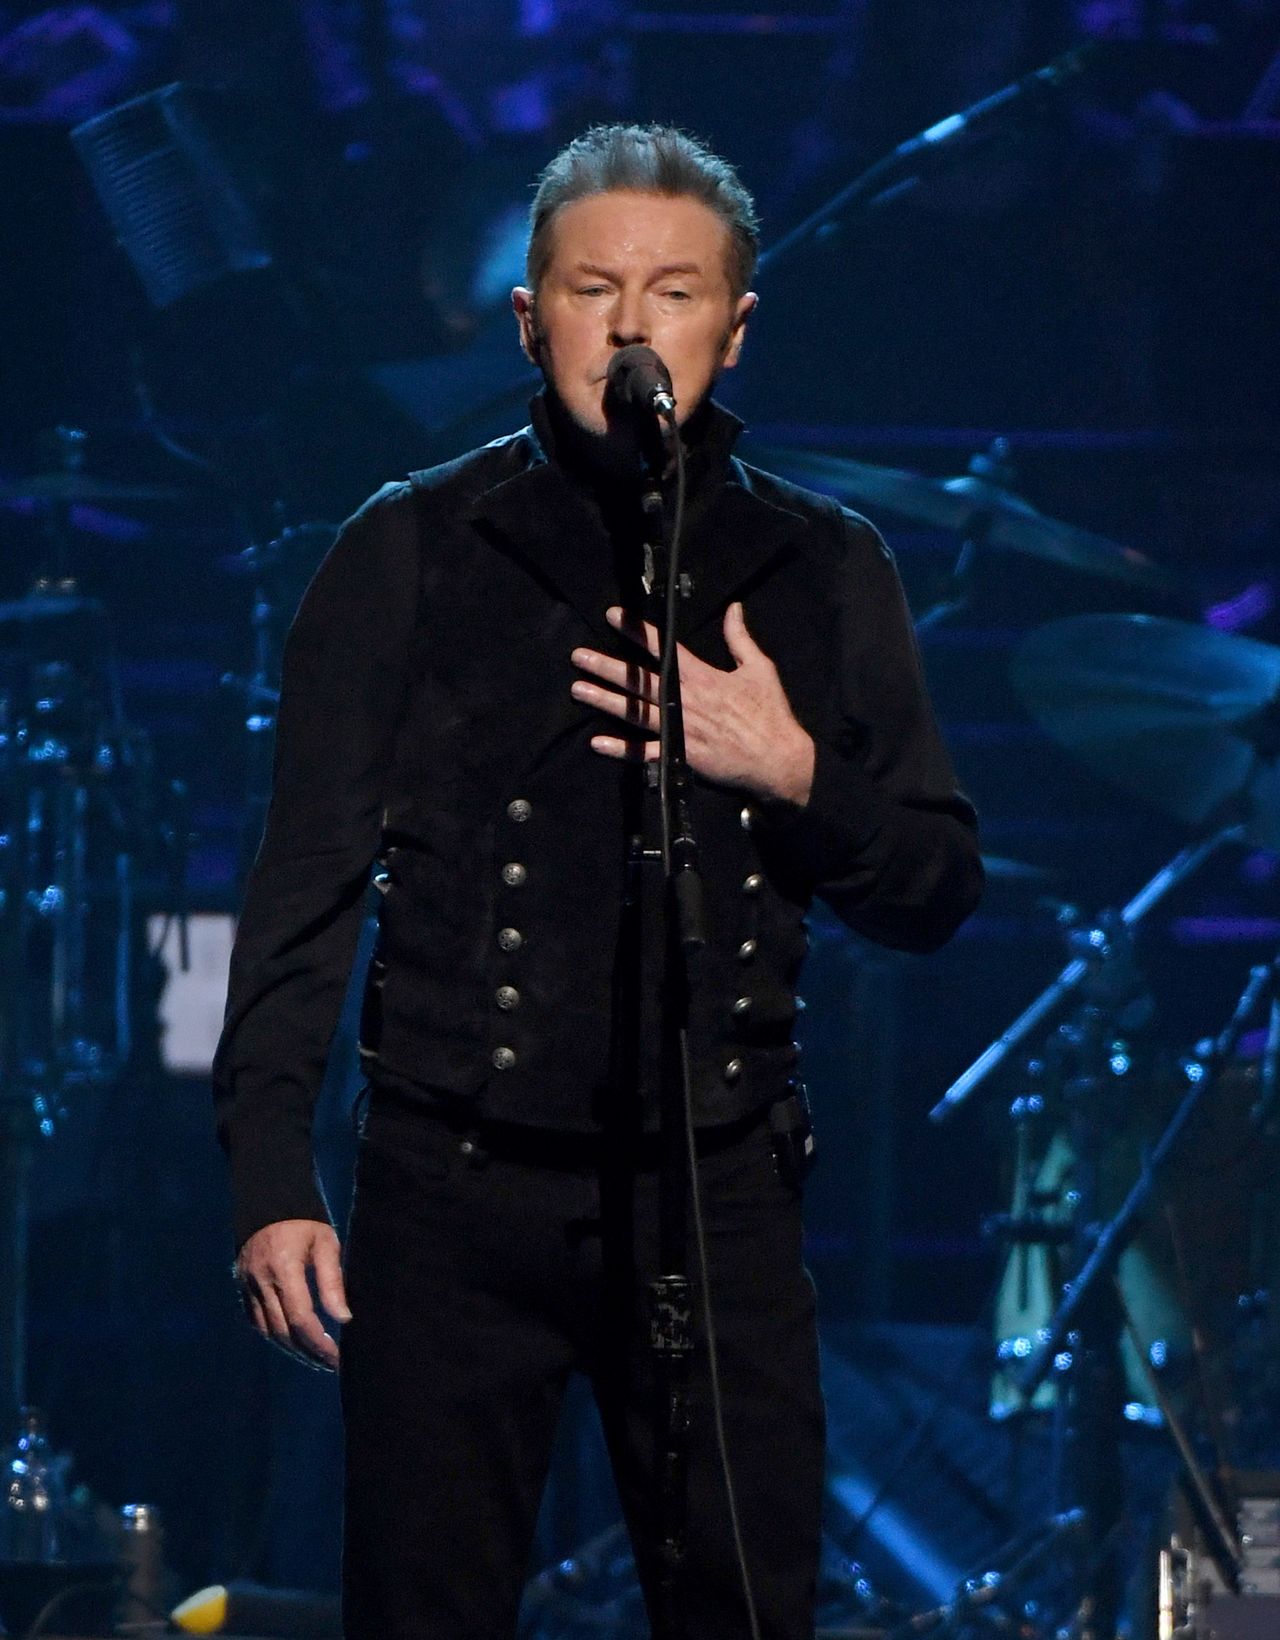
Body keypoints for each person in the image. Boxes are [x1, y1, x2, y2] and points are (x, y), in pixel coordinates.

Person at [213, 122, 983, 1640]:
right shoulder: (406, 549)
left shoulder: (825, 570)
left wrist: (790, 770)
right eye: (593, 288)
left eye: (676, 292)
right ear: (530, 314)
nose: (633, 326)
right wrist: (267, 1177)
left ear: (736, 325)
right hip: (450, 1198)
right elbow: (301, 887)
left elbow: (938, 887)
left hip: (720, 1198)